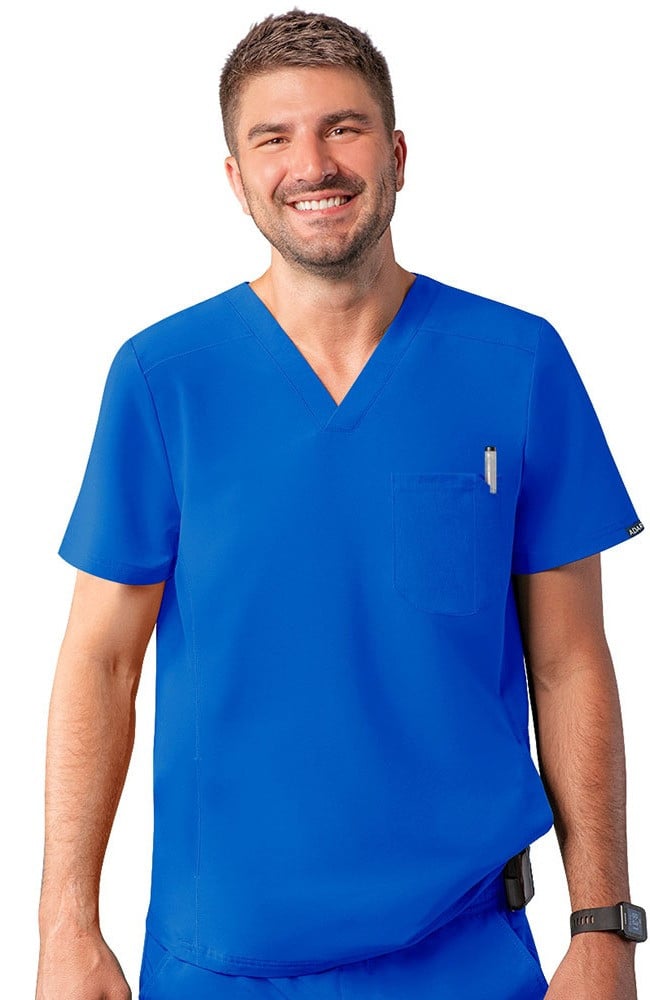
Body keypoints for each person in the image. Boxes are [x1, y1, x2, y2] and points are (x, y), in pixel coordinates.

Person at [36, 9, 646, 1000]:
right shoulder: (163, 379)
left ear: (397, 155)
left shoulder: (517, 363)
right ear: (236, 178)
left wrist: (603, 926)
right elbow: (101, 664)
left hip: (468, 959)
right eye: (272, 138)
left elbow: (571, 661)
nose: (311, 164)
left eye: (343, 128)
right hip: (219, 964)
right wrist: (66, 925)